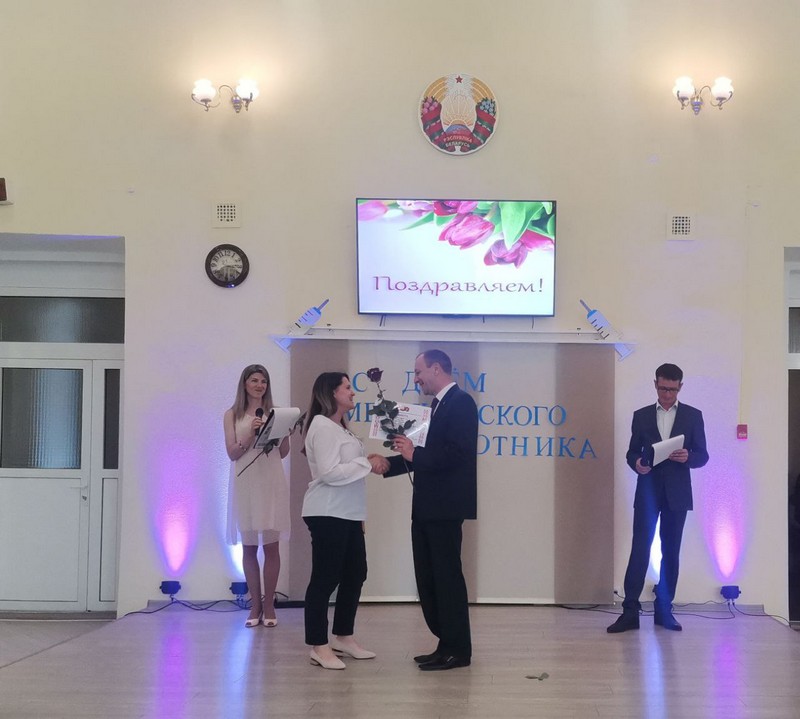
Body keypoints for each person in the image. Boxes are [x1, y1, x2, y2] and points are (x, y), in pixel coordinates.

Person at [384, 349, 478, 671]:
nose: (416, 379)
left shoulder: (461, 403)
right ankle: (445, 644)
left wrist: (414, 455)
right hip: (427, 507)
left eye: (418, 372)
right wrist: (389, 465)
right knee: (431, 578)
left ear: (436, 369)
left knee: (447, 578)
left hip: (444, 508)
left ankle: (458, 650)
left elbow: (458, 453)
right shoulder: (435, 407)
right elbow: (421, 455)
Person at [608, 363, 709, 633]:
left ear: (680, 387)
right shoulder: (641, 416)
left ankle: (664, 609)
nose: (667, 394)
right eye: (663, 388)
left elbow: (703, 455)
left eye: (672, 390)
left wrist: (688, 457)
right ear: (655, 384)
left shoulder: (693, 416)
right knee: (640, 549)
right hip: (648, 491)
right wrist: (637, 463)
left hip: (677, 493)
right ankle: (630, 611)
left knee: (671, 551)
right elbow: (631, 452)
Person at [301, 372, 385, 670]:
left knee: (355, 573)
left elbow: (348, 467)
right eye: (347, 387)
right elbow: (329, 472)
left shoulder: (340, 428)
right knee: (325, 579)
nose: (352, 392)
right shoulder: (322, 426)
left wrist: (366, 461)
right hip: (327, 512)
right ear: (332, 392)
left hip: (348, 513)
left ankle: (343, 637)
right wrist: (365, 463)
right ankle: (318, 645)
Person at [224, 364, 291, 628]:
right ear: (244, 384)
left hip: (271, 481)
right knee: (249, 547)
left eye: (263, 381)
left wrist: (284, 434)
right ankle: (255, 605)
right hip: (247, 483)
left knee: (271, 546)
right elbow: (232, 453)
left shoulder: (276, 413)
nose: (259, 385)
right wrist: (250, 435)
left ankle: (270, 604)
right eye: (254, 380)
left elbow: (282, 453)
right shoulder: (232, 414)